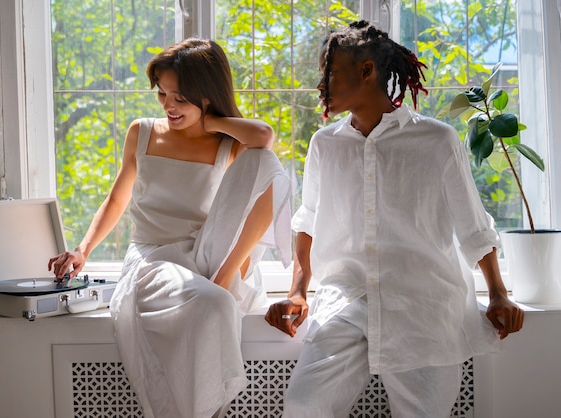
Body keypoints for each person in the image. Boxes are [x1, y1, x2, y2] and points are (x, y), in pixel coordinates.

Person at [265, 20, 524, 418]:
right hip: (346, 301)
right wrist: (298, 290)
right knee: (303, 404)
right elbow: (308, 220)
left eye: (332, 73)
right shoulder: (325, 144)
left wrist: (498, 293)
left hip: (423, 305)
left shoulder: (436, 140)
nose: (323, 84)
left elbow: (472, 223)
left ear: (367, 71)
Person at [48, 37, 292, 418]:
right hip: (153, 259)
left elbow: (264, 137)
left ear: (207, 95)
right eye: (162, 94)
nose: (168, 106)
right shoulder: (142, 132)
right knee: (213, 306)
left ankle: (224, 279)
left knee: (268, 164)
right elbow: (116, 200)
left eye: (180, 97)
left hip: (204, 255)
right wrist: (83, 249)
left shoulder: (226, 142)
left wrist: (209, 120)